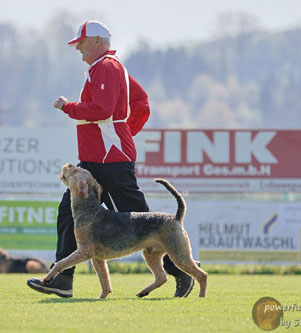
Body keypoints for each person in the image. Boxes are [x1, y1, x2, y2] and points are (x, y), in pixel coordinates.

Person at [26, 20, 194, 298]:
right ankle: (62, 280)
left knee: (142, 222)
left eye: (80, 42)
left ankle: (183, 272)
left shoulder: (106, 66)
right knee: (70, 214)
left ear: (96, 41)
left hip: (108, 158)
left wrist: (67, 106)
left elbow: (102, 109)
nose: (78, 48)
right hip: (100, 156)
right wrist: (124, 132)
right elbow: (141, 102)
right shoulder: (108, 67)